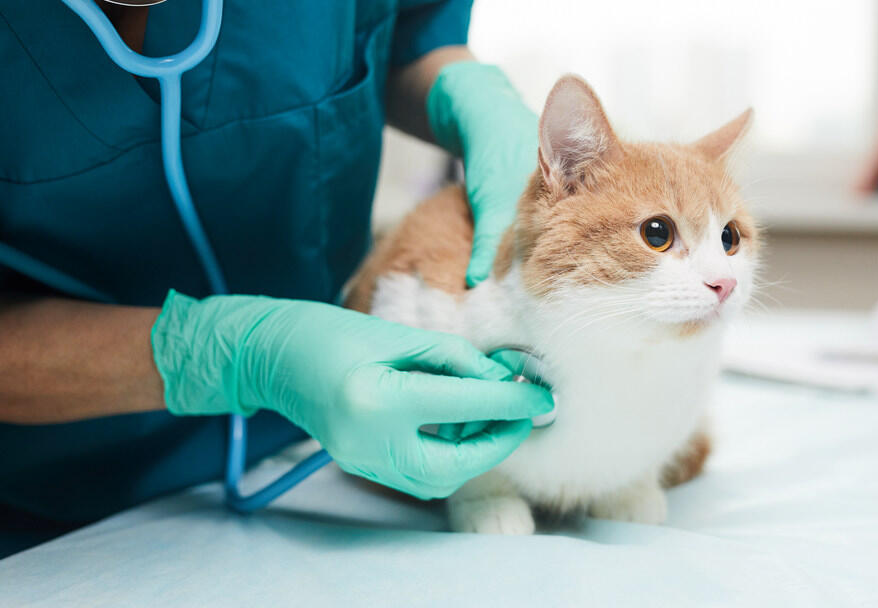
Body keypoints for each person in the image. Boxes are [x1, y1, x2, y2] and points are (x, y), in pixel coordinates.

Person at [0, 0, 553, 557]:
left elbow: (406, 30)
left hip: (318, 461)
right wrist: (233, 355)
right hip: (47, 511)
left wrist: (469, 94)